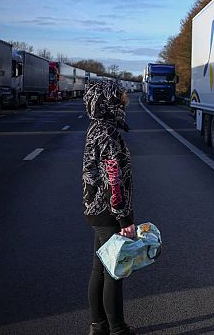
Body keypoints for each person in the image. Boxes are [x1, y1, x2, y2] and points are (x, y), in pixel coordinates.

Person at [82, 79, 136, 335]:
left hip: (96, 210)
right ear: (108, 100)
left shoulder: (96, 128)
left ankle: (99, 326)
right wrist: (125, 219)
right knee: (114, 272)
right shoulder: (108, 133)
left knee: (99, 270)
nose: (124, 101)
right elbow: (113, 178)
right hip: (109, 211)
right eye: (120, 98)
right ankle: (117, 329)